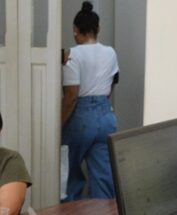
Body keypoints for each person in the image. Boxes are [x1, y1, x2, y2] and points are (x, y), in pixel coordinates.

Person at [61, 1, 119, 201]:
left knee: (70, 179)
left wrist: (58, 124)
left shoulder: (72, 55)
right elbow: (112, 84)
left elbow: (71, 96)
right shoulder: (110, 52)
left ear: (75, 30)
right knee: (104, 178)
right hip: (106, 117)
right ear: (98, 28)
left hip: (80, 117)